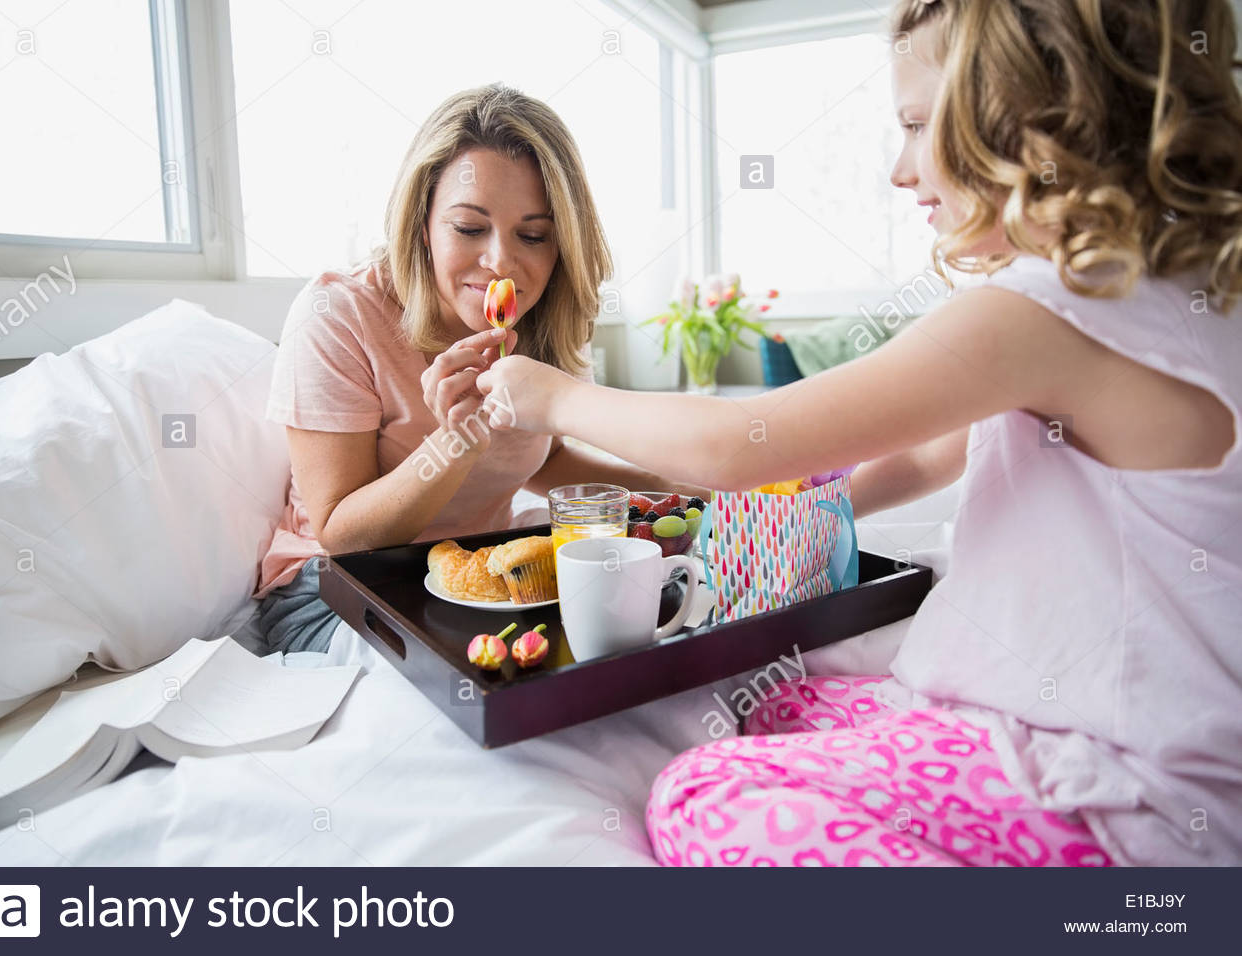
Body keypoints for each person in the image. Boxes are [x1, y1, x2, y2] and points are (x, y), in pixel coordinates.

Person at [477, 0, 1242, 866]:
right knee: (778, 705)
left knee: (702, 789)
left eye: (917, 125)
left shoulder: (1039, 310)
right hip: (1149, 752)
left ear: (1032, 116)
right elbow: (924, 453)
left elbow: (741, 441)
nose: (900, 169)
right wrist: (782, 511)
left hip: (1124, 791)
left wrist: (553, 396)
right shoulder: (1166, 294)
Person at [254, 83, 702, 655]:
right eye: (469, 228)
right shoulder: (340, 315)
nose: (500, 263)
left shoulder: (548, 320)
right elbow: (342, 536)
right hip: (339, 592)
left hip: (488, 576)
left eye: (533, 236)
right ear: (422, 224)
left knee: (648, 627)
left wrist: (675, 493)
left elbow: (547, 459)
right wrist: (455, 442)